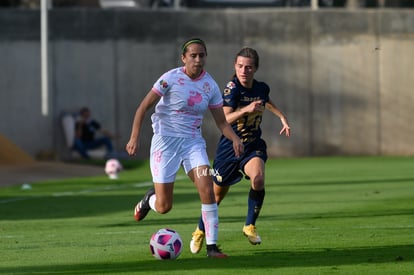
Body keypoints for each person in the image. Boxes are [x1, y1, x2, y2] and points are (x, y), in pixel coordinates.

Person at [125, 38, 244, 258]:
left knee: (207, 188)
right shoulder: (170, 78)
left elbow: (221, 122)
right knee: (163, 207)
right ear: (184, 58)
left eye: (202, 55)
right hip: (165, 143)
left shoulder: (210, 85)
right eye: (193, 55)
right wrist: (134, 137)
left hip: (193, 144)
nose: (198, 59)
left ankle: (212, 248)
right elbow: (143, 107)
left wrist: (235, 138)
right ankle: (148, 200)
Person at [190, 47, 291, 254]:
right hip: (229, 149)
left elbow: (266, 101)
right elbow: (224, 119)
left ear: (255, 69)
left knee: (259, 179)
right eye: (240, 66)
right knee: (215, 197)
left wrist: (281, 116)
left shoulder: (261, 87)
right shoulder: (231, 89)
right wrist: (246, 109)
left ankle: (249, 226)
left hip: (251, 146)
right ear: (235, 67)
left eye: (248, 67)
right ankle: (200, 230)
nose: (244, 70)